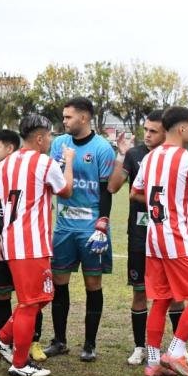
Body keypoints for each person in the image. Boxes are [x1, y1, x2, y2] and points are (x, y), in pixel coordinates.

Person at [130, 107, 188, 376]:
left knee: (161, 298)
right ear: (182, 129)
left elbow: (136, 192)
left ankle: (155, 361)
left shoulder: (149, 158)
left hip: (153, 238)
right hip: (178, 239)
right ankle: (176, 350)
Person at [0, 114, 74, 376]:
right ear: (39, 137)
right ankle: (20, 363)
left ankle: (3, 338)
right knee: (30, 302)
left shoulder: (5, 164)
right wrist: (69, 162)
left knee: (40, 298)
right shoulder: (44, 162)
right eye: (49, 136)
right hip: (31, 244)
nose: (51, 140)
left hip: (14, 241)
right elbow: (66, 190)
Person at [107, 112, 188, 365]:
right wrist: (122, 154)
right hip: (140, 234)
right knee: (140, 291)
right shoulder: (136, 156)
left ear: (166, 132)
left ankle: (179, 348)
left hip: (172, 236)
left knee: (175, 294)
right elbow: (113, 187)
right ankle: (140, 347)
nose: (147, 135)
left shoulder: (180, 159)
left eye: (153, 131)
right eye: (145, 129)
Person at [44, 97, 116, 361]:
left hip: (91, 228)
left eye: (68, 117)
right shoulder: (59, 144)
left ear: (84, 118)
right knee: (59, 281)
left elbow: (107, 189)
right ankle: (60, 340)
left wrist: (103, 222)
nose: (64, 122)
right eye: (63, 117)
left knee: (92, 283)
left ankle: (89, 344)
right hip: (63, 227)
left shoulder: (102, 148)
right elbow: (55, 181)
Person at [0, 129, 47, 362]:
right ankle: (2, 342)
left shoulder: (33, 171)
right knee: (3, 295)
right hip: (1, 245)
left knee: (33, 298)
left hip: (28, 245)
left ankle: (32, 341)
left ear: (10, 148)